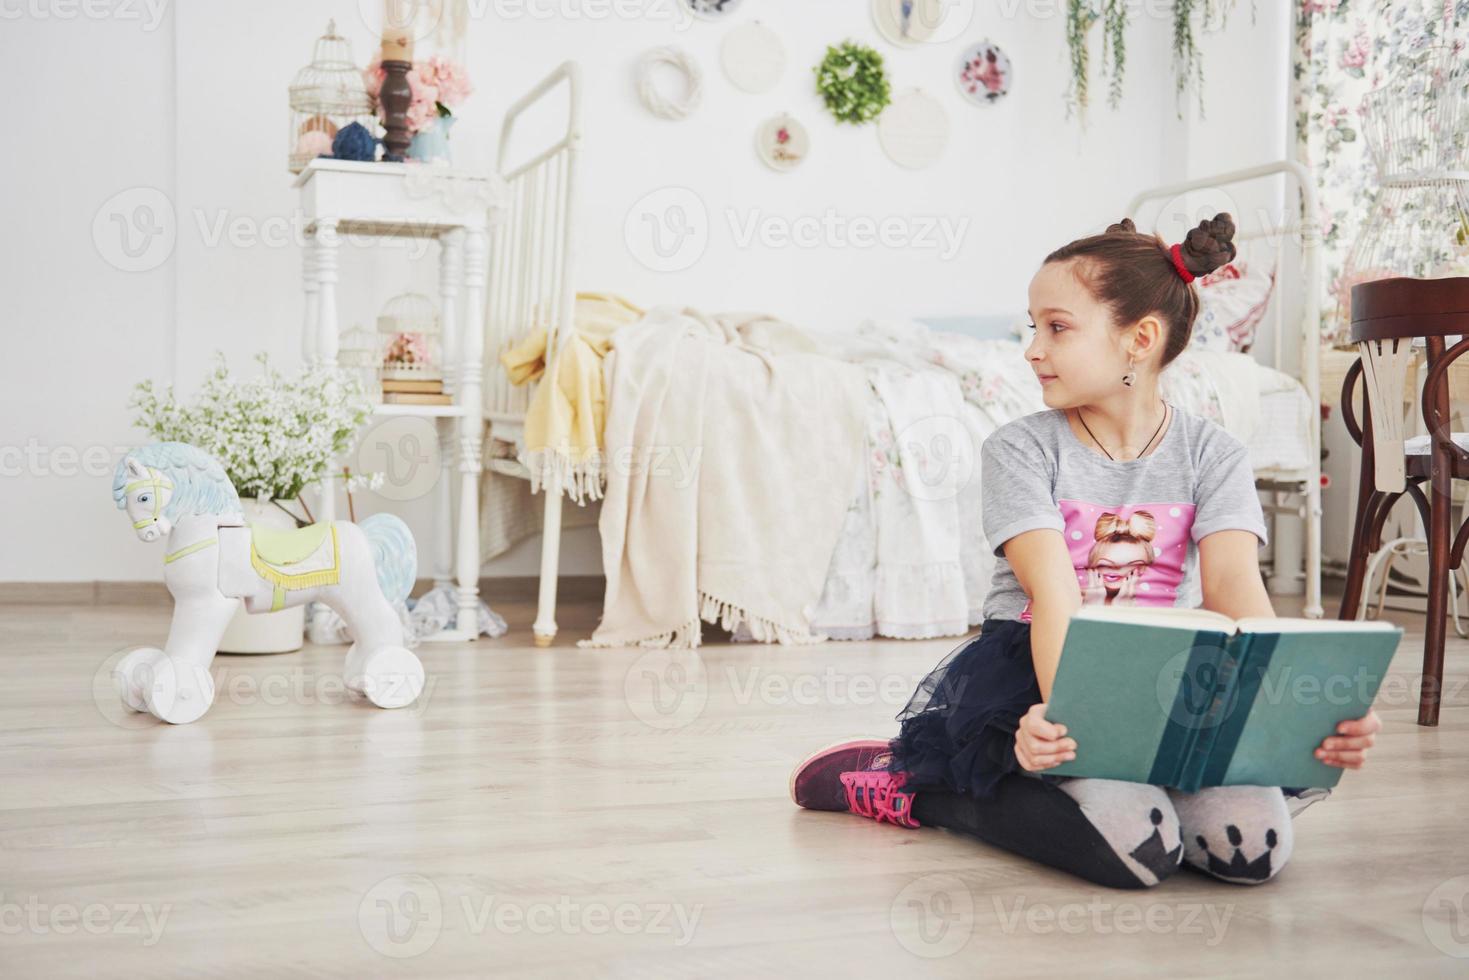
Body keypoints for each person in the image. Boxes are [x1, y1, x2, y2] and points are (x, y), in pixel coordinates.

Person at [790, 214, 1382, 888]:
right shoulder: (1019, 449)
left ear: (1140, 339)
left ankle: (1144, 788)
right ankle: (918, 790)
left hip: (1169, 672)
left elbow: (1234, 592)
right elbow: (1053, 596)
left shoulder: (1213, 453)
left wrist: (1295, 707)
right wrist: (1066, 713)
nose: (1031, 348)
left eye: (1056, 327)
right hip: (1044, 664)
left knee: (1253, 852)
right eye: (1032, 326)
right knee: (1138, 856)